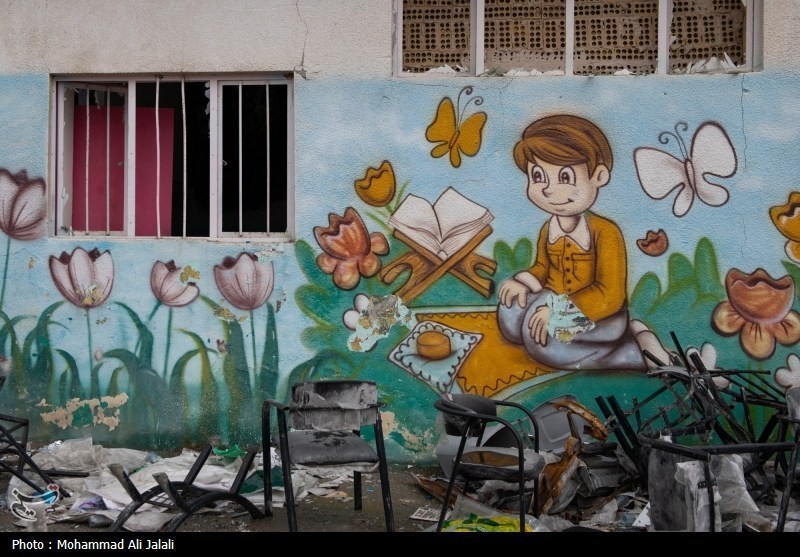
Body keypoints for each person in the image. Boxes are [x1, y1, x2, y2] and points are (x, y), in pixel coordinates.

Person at [497, 114, 668, 370]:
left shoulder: (605, 232)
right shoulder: (549, 228)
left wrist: (560, 313)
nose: (548, 189)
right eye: (538, 176)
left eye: (565, 177)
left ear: (598, 176)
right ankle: (594, 339)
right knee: (510, 313)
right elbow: (543, 267)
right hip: (554, 301)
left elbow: (610, 295)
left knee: (542, 345)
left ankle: (638, 351)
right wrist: (523, 282)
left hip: (601, 316)